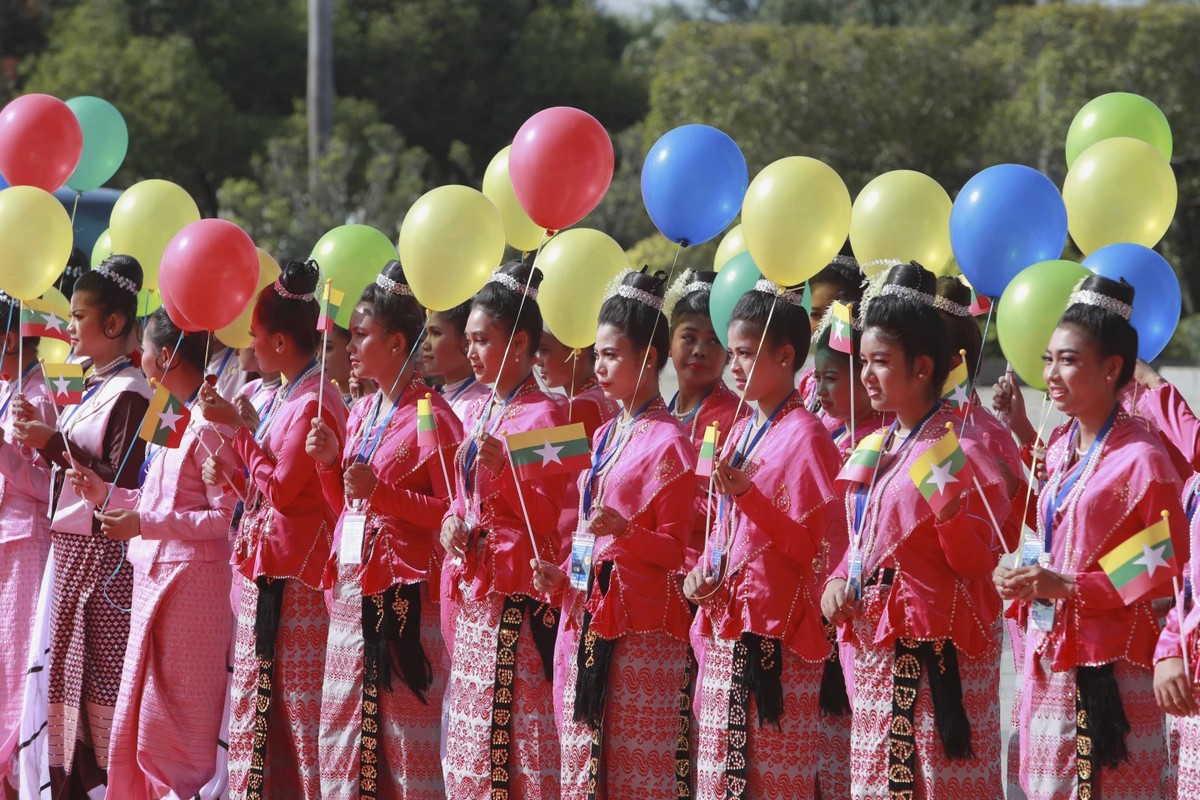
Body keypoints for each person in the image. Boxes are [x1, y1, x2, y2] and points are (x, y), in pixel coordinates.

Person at [994, 275, 1188, 800]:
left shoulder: (1142, 457)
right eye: (1049, 359)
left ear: (1112, 369)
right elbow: (1057, 532)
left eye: (1069, 360)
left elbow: (1165, 562)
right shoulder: (1059, 448)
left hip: (1114, 665)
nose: (1051, 375)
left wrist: (1072, 587)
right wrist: (1026, 573)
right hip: (1051, 656)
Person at [820, 261, 1007, 798]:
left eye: (880, 362)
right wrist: (837, 578)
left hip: (934, 662)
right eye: (864, 362)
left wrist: (950, 519)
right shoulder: (877, 446)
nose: (866, 377)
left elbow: (981, 568)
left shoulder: (962, 450)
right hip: (878, 656)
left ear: (922, 367)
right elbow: (859, 541)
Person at [531, 270, 695, 799]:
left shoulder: (668, 442)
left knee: (632, 774)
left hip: (641, 628)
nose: (598, 366)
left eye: (611, 355)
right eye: (594, 354)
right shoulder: (604, 431)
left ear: (648, 359)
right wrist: (565, 578)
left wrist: (625, 532)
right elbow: (580, 517)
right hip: (588, 614)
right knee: (584, 767)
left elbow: (677, 550)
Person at [306, 261, 462, 799]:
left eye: (363, 334)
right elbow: (347, 508)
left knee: (400, 736)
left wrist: (383, 494)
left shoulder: (430, 414)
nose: (350, 345)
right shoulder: (361, 410)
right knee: (345, 731)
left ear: (397, 343)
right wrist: (330, 466)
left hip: (404, 600)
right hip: (351, 595)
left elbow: (450, 510)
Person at [684, 278, 843, 798]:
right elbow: (723, 526)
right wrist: (702, 570)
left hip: (779, 640)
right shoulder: (741, 426)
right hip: (729, 628)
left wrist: (750, 497)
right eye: (732, 353)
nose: (732, 365)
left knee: (773, 780)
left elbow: (815, 552)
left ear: (785, 356)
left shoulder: (809, 437)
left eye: (746, 353)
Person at [67, 309, 235, 799]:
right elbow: (152, 502)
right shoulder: (170, 416)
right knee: (142, 717)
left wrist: (146, 522)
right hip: (151, 581)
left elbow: (226, 519)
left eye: (142, 348)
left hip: (193, 595)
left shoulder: (210, 424)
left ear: (163, 356)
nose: (138, 357)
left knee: (181, 725)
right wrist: (104, 494)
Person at [197, 259, 347, 799]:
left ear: (281, 342)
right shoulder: (289, 392)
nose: (251, 348)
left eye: (257, 337)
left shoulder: (313, 399)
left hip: (300, 583)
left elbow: (285, 492)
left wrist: (239, 433)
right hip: (275, 572)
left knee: (300, 716)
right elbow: (274, 495)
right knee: (265, 711)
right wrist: (239, 470)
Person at [12, 255, 152, 796]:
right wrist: (43, 439)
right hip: (69, 553)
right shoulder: (96, 386)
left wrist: (50, 441)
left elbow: (119, 484)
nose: (68, 328)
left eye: (77, 316)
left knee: (100, 683)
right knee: (63, 681)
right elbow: (76, 469)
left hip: (104, 561)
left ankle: (106, 786)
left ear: (112, 324)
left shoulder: (132, 393)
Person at [439, 262, 569, 798]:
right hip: (477, 594)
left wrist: (508, 475)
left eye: (481, 340)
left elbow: (560, 514)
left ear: (518, 345)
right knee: (474, 740)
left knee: (517, 733)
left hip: (517, 595)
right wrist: (451, 522)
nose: (471, 352)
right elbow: (463, 494)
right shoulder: (480, 409)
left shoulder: (553, 418)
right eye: (468, 340)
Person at [810, 298, 887, 798]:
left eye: (833, 378)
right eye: (817, 377)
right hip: (819, 618)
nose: (819, 391)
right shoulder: (827, 437)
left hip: (861, 624)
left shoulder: (885, 444)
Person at [0, 293, 56, 795]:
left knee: (18, 660)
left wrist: (5, 456)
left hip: (25, 542)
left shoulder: (39, 396)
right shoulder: (5, 387)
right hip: (3, 541)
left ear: (11, 340)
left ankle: (18, 771)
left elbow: (47, 488)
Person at [666, 270, 747, 568]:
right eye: (689, 337)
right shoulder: (660, 414)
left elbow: (734, 508)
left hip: (705, 571)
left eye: (714, 342)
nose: (700, 351)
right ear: (669, 342)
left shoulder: (739, 420)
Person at [535, 326, 615, 440]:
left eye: (544, 350)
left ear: (578, 350)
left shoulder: (577, 407)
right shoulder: (604, 395)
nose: (538, 361)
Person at [422, 300, 488, 421]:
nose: (425, 344)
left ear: (466, 342)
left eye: (436, 333)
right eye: (426, 334)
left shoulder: (481, 403)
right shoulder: (431, 394)